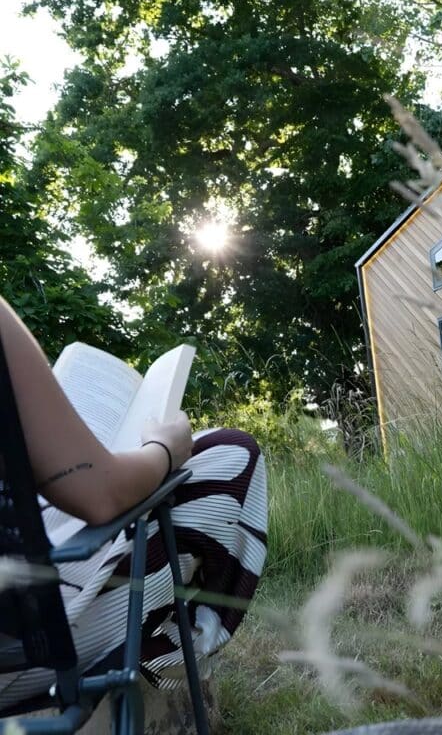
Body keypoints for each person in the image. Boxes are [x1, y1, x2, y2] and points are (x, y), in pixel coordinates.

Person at [0, 295, 268, 708]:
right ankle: (172, 658)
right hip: (29, 651)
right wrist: (163, 449)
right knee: (230, 453)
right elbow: (100, 494)